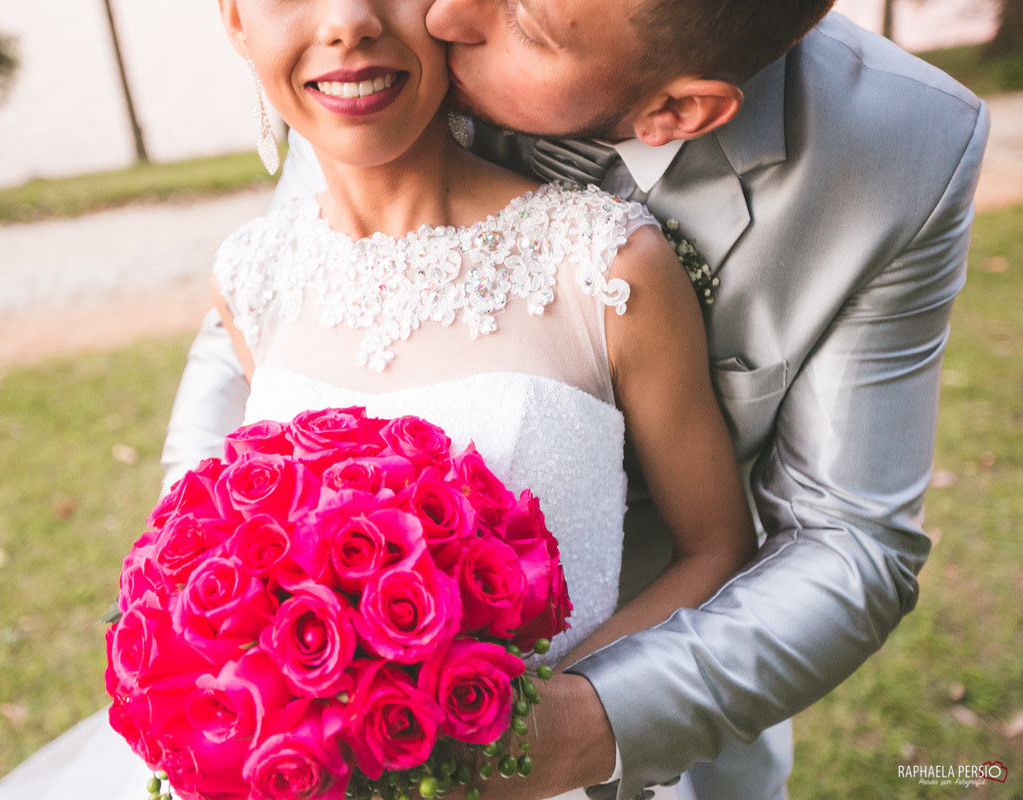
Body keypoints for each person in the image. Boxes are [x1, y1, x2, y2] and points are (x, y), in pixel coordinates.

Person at [160, 2, 990, 800]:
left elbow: (848, 543)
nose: (447, 14)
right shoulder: (376, 58)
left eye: (528, 21)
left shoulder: (898, 151)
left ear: (678, 108)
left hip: (658, 683)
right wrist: (209, 605)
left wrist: (561, 730)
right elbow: (282, 311)